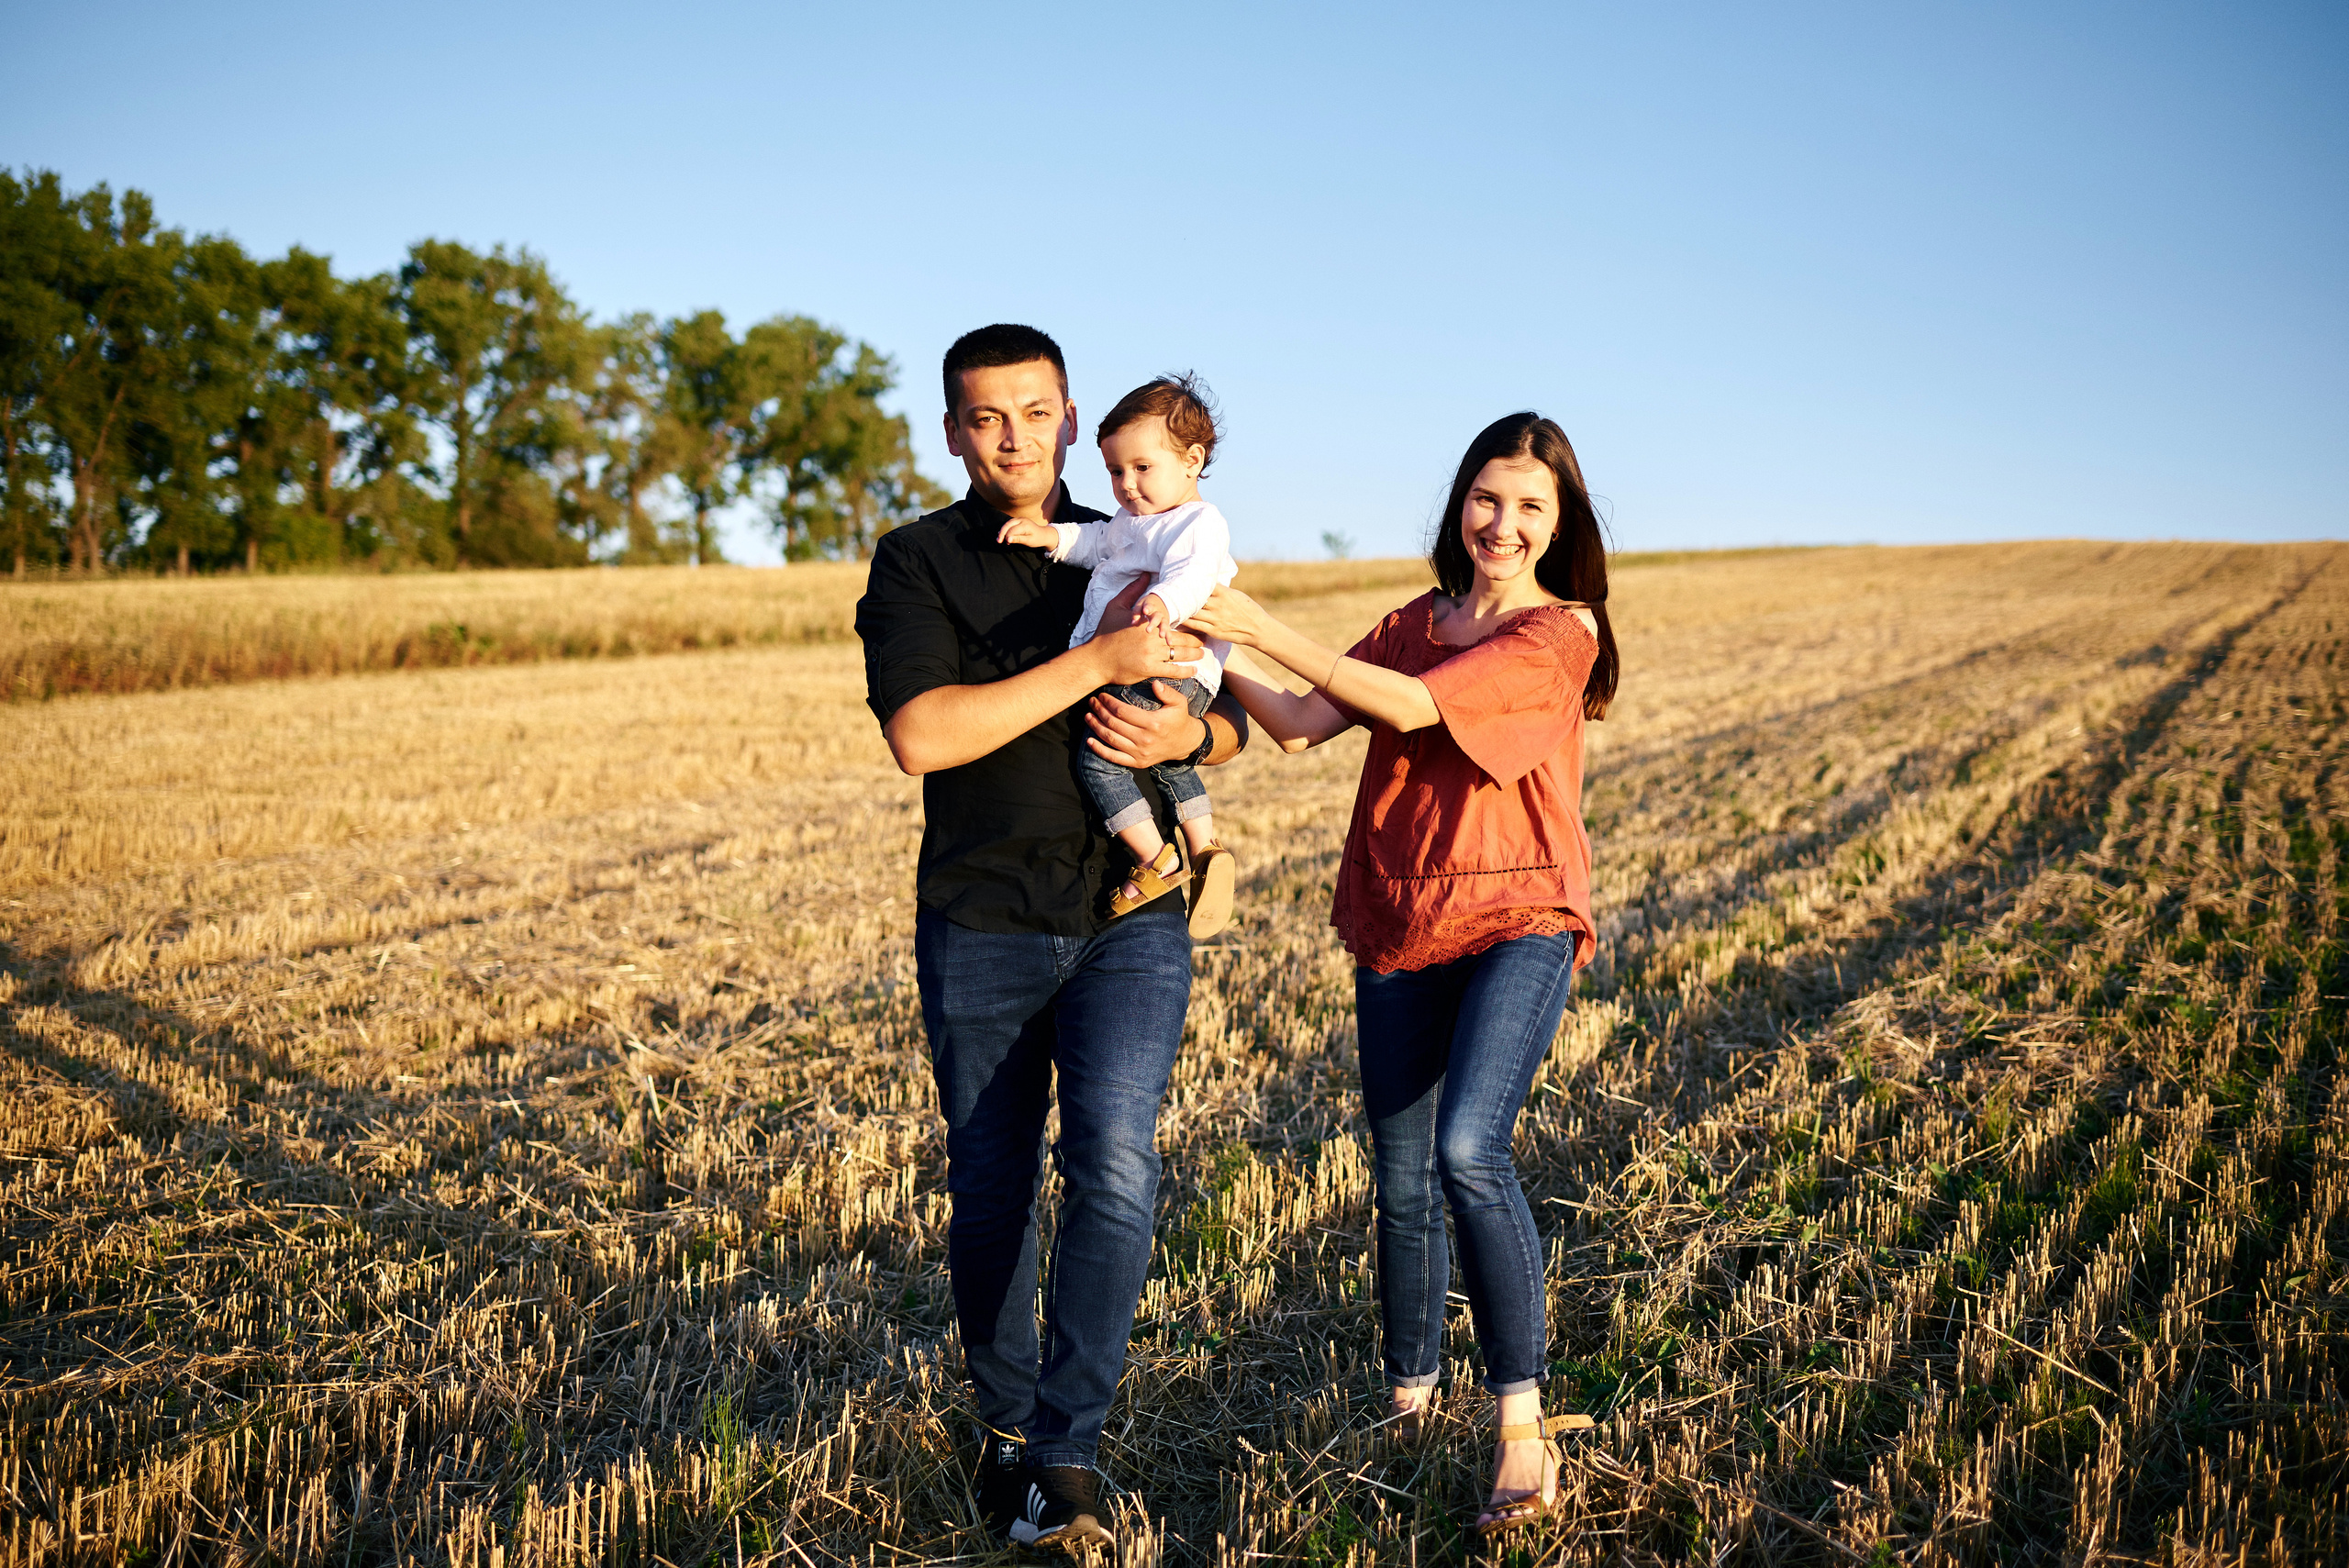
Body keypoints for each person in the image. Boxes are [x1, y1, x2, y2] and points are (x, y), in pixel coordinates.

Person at [1185, 412, 1620, 1541]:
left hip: (1517, 910)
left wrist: (1260, 621)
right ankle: (1407, 1401)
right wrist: (1199, 635)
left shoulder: (1558, 632)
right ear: (1459, 504)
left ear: (1560, 522)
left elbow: (1419, 707)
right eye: (1488, 498)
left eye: (1531, 506)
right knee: (1399, 1179)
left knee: (1469, 1147)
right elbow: (1294, 724)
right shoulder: (1409, 622)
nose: (1504, 523)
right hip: (1399, 912)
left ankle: (1519, 1420)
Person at [853, 324, 1250, 1552]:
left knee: (1116, 1167)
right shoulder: (917, 562)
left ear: (1070, 416)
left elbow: (1226, 719)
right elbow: (923, 734)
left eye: (1033, 410)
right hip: (980, 916)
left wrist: (1192, 741)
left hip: (1126, 916)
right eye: (985, 415)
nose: (1012, 434)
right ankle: (1005, 1423)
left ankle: (1067, 1449)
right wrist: (1098, 662)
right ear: (953, 431)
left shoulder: (1144, 527)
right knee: (989, 1192)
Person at [997, 372, 1241, 938]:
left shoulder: (1198, 523)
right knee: (1163, 753)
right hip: (1170, 666)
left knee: (1101, 758)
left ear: (1192, 460)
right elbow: (1094, 541)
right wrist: (1052, 539)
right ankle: (1205, 846)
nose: (1127, 484)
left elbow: (1194, 574)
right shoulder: (1136, 522)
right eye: (1114, 471)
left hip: (1169, 660)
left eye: (1141, 468)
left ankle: (1156, 860)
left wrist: (1161, 601)